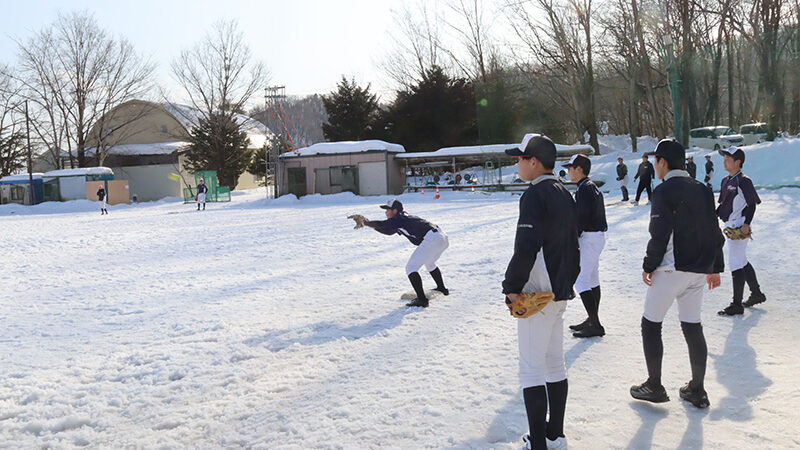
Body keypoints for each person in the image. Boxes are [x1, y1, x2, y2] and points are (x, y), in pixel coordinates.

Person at [629, 139, 724, 410]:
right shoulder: (703, 189)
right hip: (697, 271)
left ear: (663, 161)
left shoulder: (663, 190)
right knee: (692, 326)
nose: (653, 165)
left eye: (655, 160)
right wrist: (715, 266)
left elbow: (658, 234)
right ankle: (697, 388)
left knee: (651, 323)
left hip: (670, 268)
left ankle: (654, 385)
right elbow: (713, 231)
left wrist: (649, 264)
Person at [503, 134, 579, 450]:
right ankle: (553, 435)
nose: (518, 164)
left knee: (531, 369)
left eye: (520, 158)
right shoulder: (565, 192)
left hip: (538, 292)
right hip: (559, 290)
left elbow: (526, 247)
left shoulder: (534, 195)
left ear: (533, 161)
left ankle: (538, 445)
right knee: (553, 363)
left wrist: (511, 287)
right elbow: (574, 245)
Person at [351, 199, 449, 308]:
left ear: (395, 211)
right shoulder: (402, 218)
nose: (386, 212)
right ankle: (442, 288)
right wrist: (370, 225)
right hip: (442, 237)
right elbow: (388, 231)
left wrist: (365, 222)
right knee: (430, 263)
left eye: (388, 209)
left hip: (432, 239)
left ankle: (422, 300)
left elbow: (382, 224)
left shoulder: (398, 218)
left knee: (411, 268)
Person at [716, 146, 766, 315]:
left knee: (736, 263)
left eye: (728, 159)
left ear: (738, 162)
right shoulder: (726, 180)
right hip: (730, 225)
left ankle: (736, 305)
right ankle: (757, 293)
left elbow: (751, 203)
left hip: (739, 225)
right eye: (724, 158)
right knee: (741, 261)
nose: (724, 161)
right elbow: (723, 205)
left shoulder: (744, 181)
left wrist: (747, 223)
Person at [563, 154, 608, 338]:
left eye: (571, 168)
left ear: (579, 169)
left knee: (581, 280)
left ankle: (595, 324)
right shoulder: (590, 186)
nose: (569, 171)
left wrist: (571, 238)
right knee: (592, 279)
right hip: (596, 236)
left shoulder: (584, 189)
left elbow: (581, 218)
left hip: (589, 237)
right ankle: (592, 319)